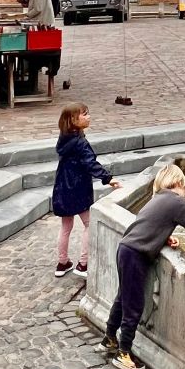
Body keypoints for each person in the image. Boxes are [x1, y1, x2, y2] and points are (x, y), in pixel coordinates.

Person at [103, 163, 185, 369]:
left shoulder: (158, 199)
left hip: (126, 248)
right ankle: (124, 353)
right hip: (136, 255)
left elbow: (148, 225)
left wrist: (164, 236)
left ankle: (109, 337)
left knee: (123, 297)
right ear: (179, 184)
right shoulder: (177, 202)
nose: (184, 196)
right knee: (134, 304)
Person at [51, 103, 121, 278]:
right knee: (89, 223)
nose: (89, 117)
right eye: (84, 114)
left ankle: (62, 263)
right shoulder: (80, 143)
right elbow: (90, 163)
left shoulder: (64, 138)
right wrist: (108, 178)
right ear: (73, 120)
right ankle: (84, 264)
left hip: (62, 185)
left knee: (66, 226)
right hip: (78, 187)